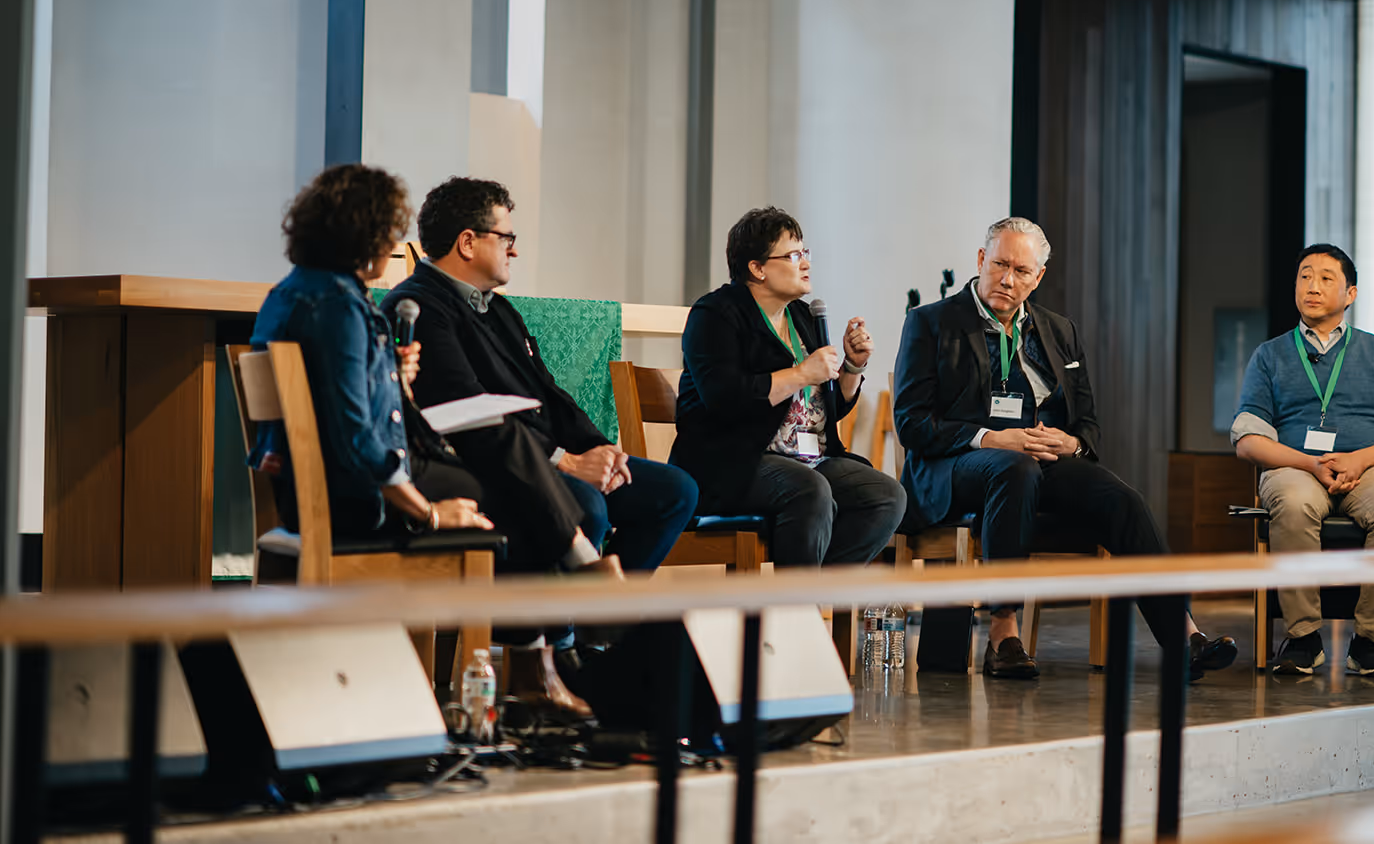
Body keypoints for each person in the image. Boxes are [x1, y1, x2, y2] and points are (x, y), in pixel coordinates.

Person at [894, 217, 1236, 680]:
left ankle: (1183, 636)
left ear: (1039, 277)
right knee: (1013, 470)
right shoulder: (931, 323)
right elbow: (912, 423)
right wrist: (992, 438)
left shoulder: (1057, 331)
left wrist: (1071, 442)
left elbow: (1087, 423)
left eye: (1021, 271)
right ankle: (1003, 633)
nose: (1008, 279)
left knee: (1122, 500)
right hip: (955, 467)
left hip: (1039, 462)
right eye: (999, 265)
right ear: (980, 260)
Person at [249, 164, 611, 576]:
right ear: (361, 232)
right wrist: (429, 514)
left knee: (515, 456)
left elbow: (332, 392)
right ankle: (553, 618)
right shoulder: (338, 307)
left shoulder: (292, 292)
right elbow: (357, 436)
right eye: (389, 230)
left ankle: (567, 596)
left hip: (316, 486)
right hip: (355, 496)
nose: (393, 246)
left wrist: (386, 370)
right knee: (524, 496)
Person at [380, 177, 697, 577]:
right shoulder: (418, 307)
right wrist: (562, 461)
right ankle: (558, 629)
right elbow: (468, 416)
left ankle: (601, 626)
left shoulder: (499, 309)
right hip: (486, 465)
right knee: (586, 505)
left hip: (538, 454)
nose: (515, 249)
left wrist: (601, 450)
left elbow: (549, 393)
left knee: (674, 492)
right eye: (505, 237)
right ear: (467, 243)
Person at [1232, 244, 1374, 678]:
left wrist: (1360, 461)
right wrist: (1309, 464)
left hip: (1369, 468)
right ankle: (1303, 638)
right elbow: (1247, 439)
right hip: (1296, 468)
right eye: (1304, 276)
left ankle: (1373, 640)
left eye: (1325, 278)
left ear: (1350, 294)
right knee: (1292, 501)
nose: (1312, 287)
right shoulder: (1270, 355)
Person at [670, 207, 906, 566]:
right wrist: (800, 374)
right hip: (734, 461)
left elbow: (825, 409)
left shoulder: (800, 315)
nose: (806, 263)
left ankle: (805, 597)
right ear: (757, 268)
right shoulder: (715, 315)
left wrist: (853, 367)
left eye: (805, 253)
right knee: (810, 490)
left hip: (810, 457)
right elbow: (723, 397)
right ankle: (797, 606)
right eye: (794, 255)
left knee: (886, 495)